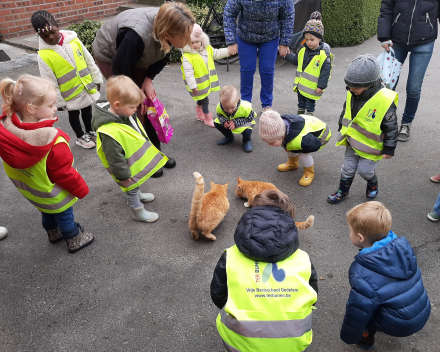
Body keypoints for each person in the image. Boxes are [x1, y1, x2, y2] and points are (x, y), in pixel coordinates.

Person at [93, 2, 195, 177]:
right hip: (112, 56)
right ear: (166, 34)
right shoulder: (135, 36)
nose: (189, 41)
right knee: (131, 109)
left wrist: (148, 80)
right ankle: (140, 162)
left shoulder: (169, 28)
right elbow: (120, 73)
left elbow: (164, 54)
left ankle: (156, 155)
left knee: (146, 106)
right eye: (185, 37)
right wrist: (135, 91)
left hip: (138, 53)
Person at [211, 189, 318, 352]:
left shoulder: (230, 256)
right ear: (288, 222)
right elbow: (313, 295)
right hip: (292, 343)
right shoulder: (303, 259)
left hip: (240, 342)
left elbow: (218, 295)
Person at [0, 75, 93, 253]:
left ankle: (53, 233)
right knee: (65, 214)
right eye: (50, 105)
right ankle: (73, 239)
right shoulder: (52, 140)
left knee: (47, 212)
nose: (55, 108)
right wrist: (81, 189)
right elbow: (63, 173)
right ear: (31, 108)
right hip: (52, 191)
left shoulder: (7, 127)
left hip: (32, 190)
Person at [340, 201, 431, 350]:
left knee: (368, 313)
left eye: (350, 230)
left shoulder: (361, 272)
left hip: (400, 325)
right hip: (422, 310)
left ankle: (366, 339)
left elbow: (358, 310)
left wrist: (349, 336)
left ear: (361, 238)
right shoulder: (401, 248)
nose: (349, 233)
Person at [92, 76, 168, 223]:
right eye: (133, 107)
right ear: (118, 104)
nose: (135, 110)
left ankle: (138, 194)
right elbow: (113, 157)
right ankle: (137, 210)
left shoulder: (121, 114)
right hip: (124, 168)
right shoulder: (108, 130)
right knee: (130, 187)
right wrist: (122, 175)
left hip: (130, 160)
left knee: (135, 183)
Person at [327, 54, 398, 204]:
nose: (351, 89)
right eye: (349, 85)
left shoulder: (384, 100)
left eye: (356, 87)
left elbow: (391, 127)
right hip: (352, 141)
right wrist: (342, 125)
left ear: (371, 84)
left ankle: (372, 182)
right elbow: (346, 110)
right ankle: (342, 191)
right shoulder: (352, 92)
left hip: (371, 146)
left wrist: (389, 148)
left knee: (365, 171)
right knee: (348, 168)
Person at [31, 10, 103, 149]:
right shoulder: (44, 55)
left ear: (58, 26)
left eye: (53, 32)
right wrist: (57, 101)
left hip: (85, 86)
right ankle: (80, 136)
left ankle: (89, 130)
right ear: (39, 35)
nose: (51, 37)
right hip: (68, 93)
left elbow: (89, 60)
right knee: (74, 114)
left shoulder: (73, 40)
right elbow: (49, 81)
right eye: (45, 36)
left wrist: (97, 78)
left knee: (87, 109)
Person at [377, 0, 439, 142]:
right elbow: (386, 8)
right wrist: (384, 36)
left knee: (413, 88)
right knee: (387, 86)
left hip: (424, 43)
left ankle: (406, 123)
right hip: (396, 41)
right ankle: (385, 123)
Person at [223, 0, 295, 112]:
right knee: (247, 70)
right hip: (245, 36)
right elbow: (229, 13)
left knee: (267, 70)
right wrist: (231, 41)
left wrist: (285, 42)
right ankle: (246, 104)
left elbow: (287, 16)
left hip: (270, 37)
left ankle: (267, 105)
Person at [259, 110, 331, 186]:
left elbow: (314, 145)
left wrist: (295, 149)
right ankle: (293, 163)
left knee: (303, 154)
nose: (269, 145)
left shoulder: (302, 141)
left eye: (272, 142)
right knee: (290, 147)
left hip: (321, 135)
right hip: (305, 130)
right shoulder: (280, 125)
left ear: (282, 136)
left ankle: (309, 172)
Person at [181, 24, 231, 127]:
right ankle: (207, 118)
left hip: (206, 82)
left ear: (202, 40)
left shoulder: (207, 49)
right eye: (192, 42)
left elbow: (217, 53)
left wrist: (228, 51)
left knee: (202, 97)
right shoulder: (187, 56)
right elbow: (188, 73)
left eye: (197, 42)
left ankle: (200, 114)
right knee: (205, 100)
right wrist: (192, 85)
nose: (194, 45)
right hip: (197, 84)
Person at [283, 12, 332, 115]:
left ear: (319, 38)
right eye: (307, 39)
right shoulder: (303, 50)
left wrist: (322, 86)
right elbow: (296, 60)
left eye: (312, 39)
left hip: (313, 88)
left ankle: (309, 118)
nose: (309, 42)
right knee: (301, 104)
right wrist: (287, 55)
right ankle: (300, 117)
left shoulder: (323, 55)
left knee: (310, 105)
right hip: (301, 86)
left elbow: (325, 72)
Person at [214, 85, 256, 153]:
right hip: (229, 123)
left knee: (247, 130)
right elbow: (219, 115)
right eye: (226, 108)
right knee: (217, 123)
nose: (230, 110)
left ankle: (247, 140)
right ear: (221, 103)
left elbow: (251, 118)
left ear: (238, 100)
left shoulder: (245, 107)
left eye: (233, 107)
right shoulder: (220, 106)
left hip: (245, 123)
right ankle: (229, 137)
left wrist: (236, 123)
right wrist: (224, 121)